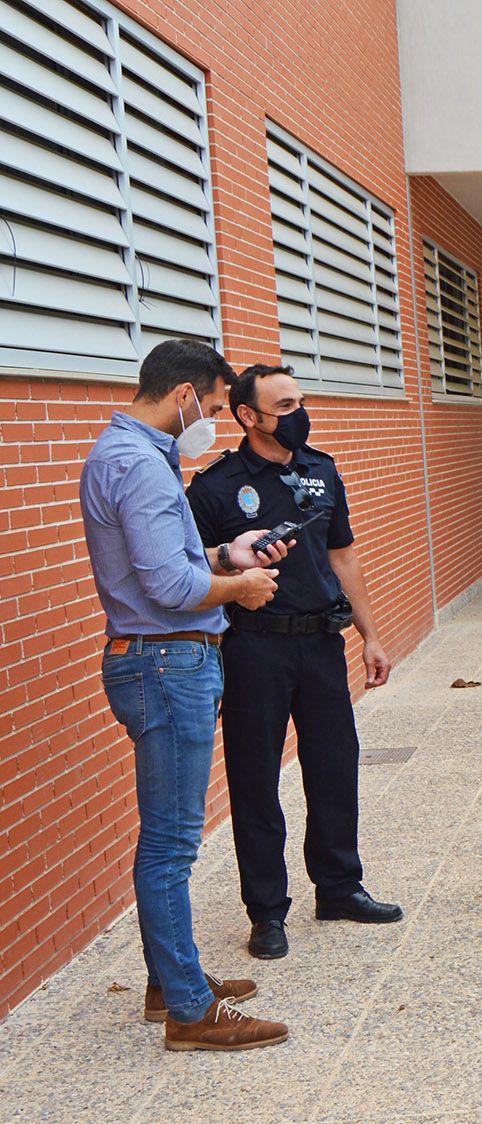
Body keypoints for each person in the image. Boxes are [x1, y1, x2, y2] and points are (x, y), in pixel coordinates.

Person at [80, 339, 290, 1051]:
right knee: (171, 844)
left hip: (158, 661)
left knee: (168, 837)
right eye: (209, 404)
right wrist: (242, 587)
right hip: (167, 664)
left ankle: (171, 981)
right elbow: (169, 590)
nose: (209, 421)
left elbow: (164, 562)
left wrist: (227, 553)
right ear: (184, 397)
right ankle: (190, 1012)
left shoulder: (128, 453)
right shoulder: (139, 464)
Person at [186, 364, 401, 960]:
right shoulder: (214, 487)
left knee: (335, 766)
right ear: (248, 416)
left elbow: (344, 559)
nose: (298, 414)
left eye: (299, 401)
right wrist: (233, 566)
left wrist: (371, 635)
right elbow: (189, 569)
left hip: (321, 643)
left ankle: (338, 887)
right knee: (255, 779)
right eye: (284, 406)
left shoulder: (321, 470)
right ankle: (266, 911)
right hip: (254, 646)